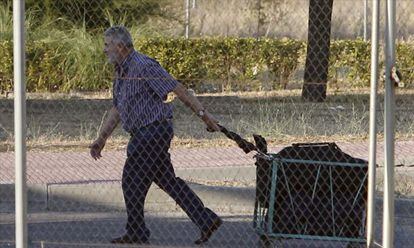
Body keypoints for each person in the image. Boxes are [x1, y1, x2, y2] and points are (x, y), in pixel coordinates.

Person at [89, 26, 222, 245]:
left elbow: (177, 89)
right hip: (145, 135)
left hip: (152, 133)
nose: (104, 50)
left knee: (131, 181)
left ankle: (137, 232)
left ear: (120, 46)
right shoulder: (121, 71)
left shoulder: (144, 66)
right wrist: (102, 138)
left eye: (107, 44)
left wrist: (204, 116)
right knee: (168, 181)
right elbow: (117, 108)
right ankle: (206, 220)